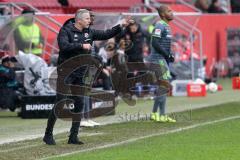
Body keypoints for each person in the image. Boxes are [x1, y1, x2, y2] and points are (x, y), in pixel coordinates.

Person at [43, 9, 133, 145]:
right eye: (87, 19)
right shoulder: (66, 30)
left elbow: (107, 33)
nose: (89, 21)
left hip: (81, 72)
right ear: (79, 20)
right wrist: (81, 45)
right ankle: (48, 134)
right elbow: (64, 46)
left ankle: (73, 136)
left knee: (79, 103)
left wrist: (121, 25)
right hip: (66, 71)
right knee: (60, 102)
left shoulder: (89, 32)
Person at [148, 5, 176, 123]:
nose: (172, 12)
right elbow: (154, 41)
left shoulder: (166, 26)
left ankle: (154, 114)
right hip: (158, 59)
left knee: (162, 87)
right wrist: (166, 54)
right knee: (164, 86)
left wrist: (170, 55)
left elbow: (162, 43)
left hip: (162, 59)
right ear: (163, 14)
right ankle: (162, 115)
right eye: (169, 11)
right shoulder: (160, 25)